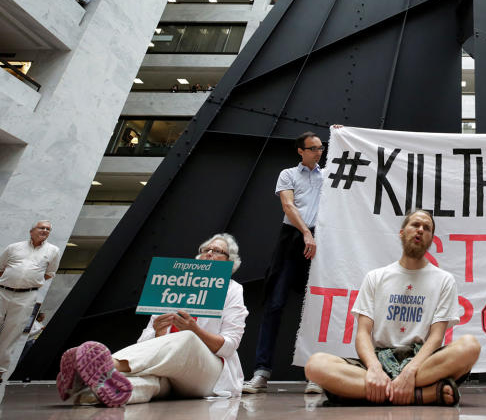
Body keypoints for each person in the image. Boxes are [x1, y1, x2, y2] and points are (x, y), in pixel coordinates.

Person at [305, 210, 480, 405]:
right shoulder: (376, 277)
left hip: (422, 362)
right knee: (315, 365)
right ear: (402, 232)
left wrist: (411, 370)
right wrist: (374, 368)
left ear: (431, 238)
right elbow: (363, 333)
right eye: (415, 225)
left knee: (470, 346)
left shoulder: (444, 280)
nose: (420, 230)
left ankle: (374, 392)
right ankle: (422, 395)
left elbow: (436, 337)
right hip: (380, 359)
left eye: (427, 228)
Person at [56, 234, 248, 406]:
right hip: (170, 373)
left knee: (188, 338)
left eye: (218, 251)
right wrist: (158, 332)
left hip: (209, 373)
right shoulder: (174, 287)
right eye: (206, 250)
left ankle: (110, 364)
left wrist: (195, 330)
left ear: (230, 262)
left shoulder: (233, 290)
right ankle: (87, 392)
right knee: (151, 383)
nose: (209, 253)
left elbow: (230, 346)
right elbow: (144, 345)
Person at [243, 132, 327, 394]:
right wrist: (306, 233)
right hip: (293, 239)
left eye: (320, 148)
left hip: (320, 241)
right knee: (275, 304)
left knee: (315, 308)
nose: (318, 152)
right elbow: (288, 206)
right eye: (312, 148)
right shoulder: (288, 173)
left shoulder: (328, 175)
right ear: (300, 151)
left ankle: (315, 374)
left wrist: (342, 134)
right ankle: (261, 373)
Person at [0, 220, 60, 381]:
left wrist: (29, 283)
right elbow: (1, 268)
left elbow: (49, 273)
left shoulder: (53, 250)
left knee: (12, 332)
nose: (45, 231)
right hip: (2, 292)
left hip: (27, 296)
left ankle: (0, 370)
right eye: (42, 228)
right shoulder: (14, 247)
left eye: (48, 229)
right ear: (31, 230)